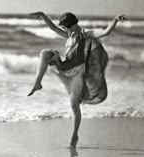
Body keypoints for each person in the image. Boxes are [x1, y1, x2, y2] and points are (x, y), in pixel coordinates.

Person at [27, 11, 127, 149]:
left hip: (77, 73)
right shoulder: (69, 35)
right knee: (45, 53)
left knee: (74, 105)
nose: (62, 29)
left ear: (70, 25)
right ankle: (37, 83)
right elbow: (53, 28)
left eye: (64, 27)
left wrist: (115, 19)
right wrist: (43, 16)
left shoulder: (86, 34)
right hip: (65, 65)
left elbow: (105, 32)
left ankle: (74, 136)